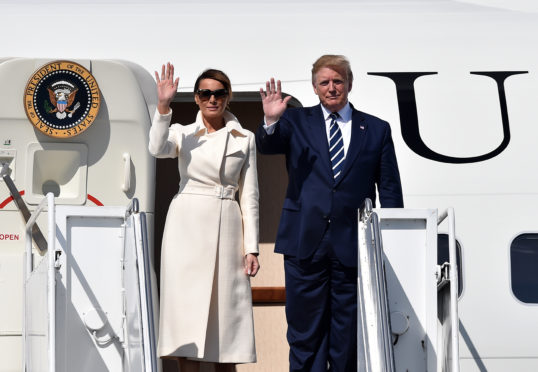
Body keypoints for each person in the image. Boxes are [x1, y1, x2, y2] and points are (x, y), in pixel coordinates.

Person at [256, 55, 403, 372]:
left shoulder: (376, 129)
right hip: (303, 243)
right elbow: (267, 146)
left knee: (347, 334)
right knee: (304, 333)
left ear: (350, 84)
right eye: (325, 82)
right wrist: (270, 121)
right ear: (314, 87)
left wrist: (394, 242)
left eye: (338, 81)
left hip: (353, 246)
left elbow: (389, 189)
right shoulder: (295, 122)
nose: (332, 88)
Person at [149, 63, 260, 372]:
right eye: (205, 93)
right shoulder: (182, 133)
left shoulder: (244, 138)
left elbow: (249, 195)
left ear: (228, 97)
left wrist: (252, 247)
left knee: (226, 316)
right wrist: (163, 106)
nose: (213, 99)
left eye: (219, 93)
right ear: (197, 98)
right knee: (185, 309)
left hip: (227, 224)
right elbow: (156, 148)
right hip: (186, 224)